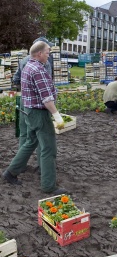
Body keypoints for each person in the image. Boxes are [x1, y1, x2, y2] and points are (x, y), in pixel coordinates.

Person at [2, 39, 68, 195]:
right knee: (48, 149)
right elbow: (46, 98)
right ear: (39, 54)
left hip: (29, 111)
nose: (49, 55)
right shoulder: (38, 70)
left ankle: (10, 173)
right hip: (39, 114)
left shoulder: (28, 66)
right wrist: (57, 116)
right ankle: (48, 186)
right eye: (47, 52)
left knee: (30, 142)